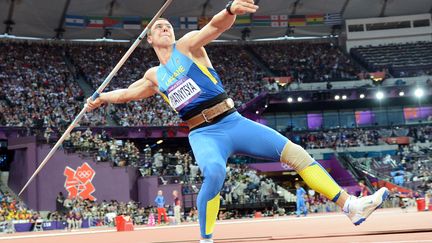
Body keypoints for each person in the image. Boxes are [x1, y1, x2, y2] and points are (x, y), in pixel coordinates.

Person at [86, 0, 389, 241]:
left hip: (232, 121)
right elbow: (126, 93)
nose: (165, 28)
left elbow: (216, 26)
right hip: (203, 133)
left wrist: (230, 9)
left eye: (168, 25)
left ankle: (351, 206)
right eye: (159, 27)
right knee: (215, 172)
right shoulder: (154, 76)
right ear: (149, 38)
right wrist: (100, 98)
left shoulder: (188, 46)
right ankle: (206, 239)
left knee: (297, 155)